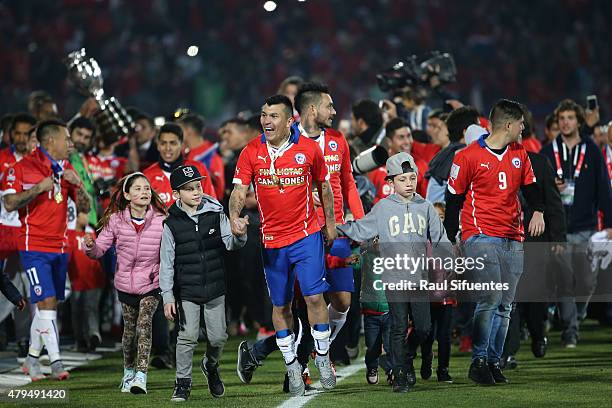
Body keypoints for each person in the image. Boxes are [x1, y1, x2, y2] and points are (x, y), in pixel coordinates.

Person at [229, 95, 337, 396]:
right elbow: (239, 190)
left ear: (291, 120)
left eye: (273, 116)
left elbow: (324, 187)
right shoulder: (251, 151)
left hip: (306, 236)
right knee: (282, 306)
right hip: (272, 241)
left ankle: (323, 359)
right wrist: (233, 217)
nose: (266, 121)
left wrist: (328, 225)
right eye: (263, 115)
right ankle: (291, 365)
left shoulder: (309, 149)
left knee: (316, 299)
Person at [444, 99, 545, 385]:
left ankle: (492, 360)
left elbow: (531, 187)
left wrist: (538, 210)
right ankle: (478, 360)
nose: (524, 128)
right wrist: (452, 237)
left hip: (513, 235)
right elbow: (453, 201)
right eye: (522, 123)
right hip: (480, 233)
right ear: (509, 125)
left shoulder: (519, 152)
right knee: (490, 297)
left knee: (506, 304)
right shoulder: (467, 156)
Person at [337, 151, 449, 393]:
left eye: (412, 178)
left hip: (420, 278)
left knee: (424, 328)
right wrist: (337, 226)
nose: (409, 183)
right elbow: (361, 229)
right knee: (398, 326)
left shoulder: (426, 206)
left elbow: (440, 239)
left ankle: (405, 358)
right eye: (402, 179)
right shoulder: (382, 208)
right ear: (390, 182)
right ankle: (399, 374)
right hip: (394, 278)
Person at [2, 120, 90, 381]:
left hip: (60, 246)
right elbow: (8, 203)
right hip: (33, 246)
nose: (70, 143)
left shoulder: (67, 168)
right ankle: (56, 362)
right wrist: (38, 188)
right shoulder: (21, 168)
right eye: (67, 138)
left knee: (48, 307)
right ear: (51, 141)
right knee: (47, 302)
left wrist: (80, 186)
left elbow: (84, 206)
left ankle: (31, 358)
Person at [160, 165, 246, 402]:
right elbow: (166, 263)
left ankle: (210, 364)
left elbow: (230, 244)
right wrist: (167, 296)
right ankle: (182, 384)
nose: (196, 192)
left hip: (215, 286)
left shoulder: (216, 212)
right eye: (189, 189)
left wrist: (240, 235)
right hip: (187, 289)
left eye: (197, 186)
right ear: (177, 194)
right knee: (187, 337)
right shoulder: (171, 224)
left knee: (218, 338)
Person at [85, 172, 167, 394]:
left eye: (147, 188)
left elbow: (170, 253)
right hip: (125, 284)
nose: (144, 192)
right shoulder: (115, 220)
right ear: (127, 194)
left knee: (144, 325)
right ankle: (128, 372)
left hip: (151, 283)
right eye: (138, 189)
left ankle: (141, 376)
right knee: (129, 332)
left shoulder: (161, 220)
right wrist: (91, 246)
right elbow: (100, 249)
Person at [539, 99, 612, 347]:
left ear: (579, 122)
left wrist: (610, 223)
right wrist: (551, 187)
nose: (565, 122)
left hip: (586, 227)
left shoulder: (591, 149)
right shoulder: (548, 152)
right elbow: (536, 189)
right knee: (565, 281)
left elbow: (604, 188)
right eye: (562, 119)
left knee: (587, 281)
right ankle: (570, 330)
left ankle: (577, 317)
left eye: (570, 118)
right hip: (558, 229)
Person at [143, 122, 216, 206]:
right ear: (158, 145)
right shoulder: (148, 175)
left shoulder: (198, 169)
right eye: (163, 143)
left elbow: (212, 205)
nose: (168, 148)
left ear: (181, 144)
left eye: (173, 143)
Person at [67, 211, 105, 352]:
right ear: (76, 217)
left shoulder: (91, 233)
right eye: (84, 215)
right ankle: (80, 339)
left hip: (93, 279)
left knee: (91, 308)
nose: (87, 218)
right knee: (77, 311)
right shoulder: (69, 234)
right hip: (76, 280)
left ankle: (93, 335)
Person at [425, 107, 480, 203]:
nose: (481, 130)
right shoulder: (462, 155)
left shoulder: (444, 154)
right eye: (478, 126)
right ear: (466, 131)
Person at [369, 118, 428, 202]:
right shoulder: (377, 168)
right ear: (389, 141)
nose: (407, 141)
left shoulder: (422, 166)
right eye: (401, 137)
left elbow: (426, 201)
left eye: (409, 136)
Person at [179, 113, 225, 200]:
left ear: (188, 131)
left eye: (180, 129)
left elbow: (219, 191)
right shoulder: (184, 153)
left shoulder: (211, 154)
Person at [68, 116, 98, 226]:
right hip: (73, 221)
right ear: (70, 132)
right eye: (79, 134)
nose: (82, 140)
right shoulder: (66, 156)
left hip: (90, 221)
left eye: (86, 137)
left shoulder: (85, 159)